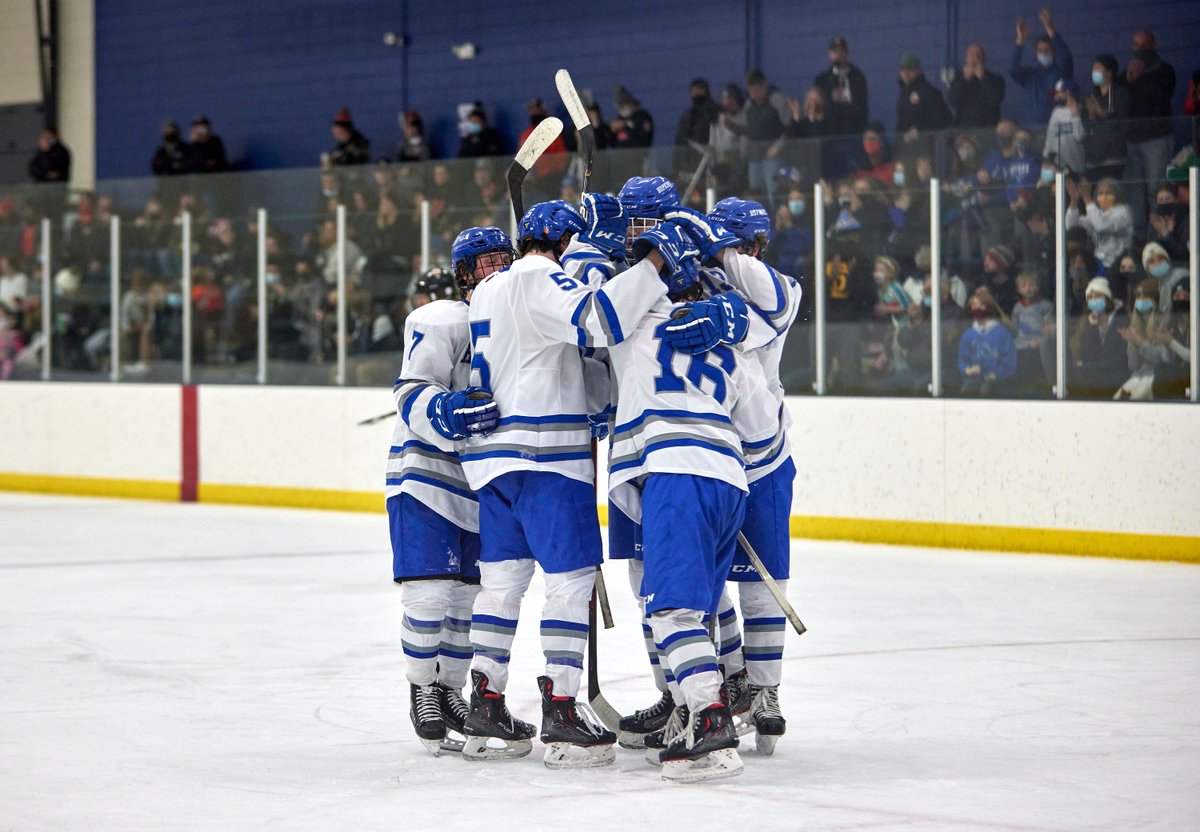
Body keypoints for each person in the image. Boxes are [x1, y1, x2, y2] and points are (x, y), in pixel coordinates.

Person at [459, 197, 675, 767]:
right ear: (560, 244)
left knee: (501, 585)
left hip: (494, 462)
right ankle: (559, 709)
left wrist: (596, 394)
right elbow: (599, 321)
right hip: (547, 459)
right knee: (571, 583)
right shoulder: (537, 275)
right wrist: (647, 266)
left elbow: (557, 351)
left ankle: (485, 702)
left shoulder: (490, 288)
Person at [659, 197, 803, 757]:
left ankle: (765, 692)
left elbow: (762, 307)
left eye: (746, 245)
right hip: (706, 451)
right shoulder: (694, 280)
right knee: (707, 580)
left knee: (765, 586)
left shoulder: (779, 289)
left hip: (763, 455)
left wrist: (720, 248)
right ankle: (732, 674)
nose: (741, 254)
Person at [387, 229, 510, 756]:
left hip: (480, 481)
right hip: (425, 472)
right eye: (484, 264)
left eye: (504, 262)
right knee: (430, 593)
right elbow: (412, 389)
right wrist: (442, 409)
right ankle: (422, 686)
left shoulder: (517, 323)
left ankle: (451, 690)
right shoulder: (441, 318)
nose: (495, 272)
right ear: (463, 274)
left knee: (467, 598)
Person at [1124, 30, 1177, 230]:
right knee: (1134, 191)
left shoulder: (1165, 70)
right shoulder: (1127, 73)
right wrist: (1130, 79)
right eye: (1136, 45)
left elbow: (1159, 98)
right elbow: (1120, 98)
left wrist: (1138, 79)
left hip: (1156, 138)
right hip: (1132, 140)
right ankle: (1138, 237)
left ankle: (1160, 233)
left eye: (1144, 44)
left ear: (1153, 45)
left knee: (1156, 189)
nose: (1140, 50)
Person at [1008, 8, 1073, 126]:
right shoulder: (1029, 75)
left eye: (1047, 50)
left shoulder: (1062, 72)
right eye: (1040, 50)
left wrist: (1050, 29)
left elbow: (1067, 58)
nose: (1043, 53)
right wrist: (1020, 40)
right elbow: (1012, 69)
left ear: (1054, 52)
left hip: (1056, 132)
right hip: (1033, 131)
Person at [1069, 276, 1128, 398]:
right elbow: (1089, 355)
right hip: (1095, 375)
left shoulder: (1122, 319)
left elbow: (1119, 359)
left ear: (1107, 298)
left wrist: (1088, 366)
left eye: (1097, 296)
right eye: (1090, 298)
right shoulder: (1088, 321)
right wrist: (1092, 327)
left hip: (1116, 375)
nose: (1093, 300)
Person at [1114, 277, 1171, 400]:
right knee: (1117, 399)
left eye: (1145, 296)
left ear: (1155, 300)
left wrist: (1140, 343)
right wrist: (1132, 344)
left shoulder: (1163, 322)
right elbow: (1133, 366)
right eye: (1138, 296)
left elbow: (1161, 359)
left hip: (1157, 377)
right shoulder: (1135, 323)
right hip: (1137, 376)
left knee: (1134, 400)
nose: (1140, 300)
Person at [1065, 178, 1133, 274]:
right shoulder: (1097, 213)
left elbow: (1101, 226)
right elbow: (1071, 227)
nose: (1104, 196)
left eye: (1108, 193)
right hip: (1098, 263)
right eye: (1100, 193)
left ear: (1117, 195)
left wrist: (1086, 198)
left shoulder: (1123, 212)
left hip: (1116, 265)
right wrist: (1074, 200)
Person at [743, 70, 790, 205]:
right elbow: (746, 130)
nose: (753, 95)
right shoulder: (748, 105)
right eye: (750, 91)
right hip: (754, 156)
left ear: (763, 87)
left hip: (773, 156)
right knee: (755, 194)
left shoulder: (777, 100)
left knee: (773, 191)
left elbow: (789, 127)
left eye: (756, 91)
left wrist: (778, 146)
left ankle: (775, 221)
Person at [958, 290, 1016, 396]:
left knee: (986, 390)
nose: (977, 308)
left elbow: (1010, 361)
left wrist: (996, 374)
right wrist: (967, 369)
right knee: (967, 390)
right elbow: (963, 358)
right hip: (973, 378)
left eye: (982, 305)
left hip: (997, 380)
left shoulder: (1002, 333)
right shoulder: (968, 334)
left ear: (990, 307)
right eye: (974, 305)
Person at [1082, 55, 1131, 182]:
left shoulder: (1121, 94)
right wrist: (1087, 115)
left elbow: (1123, 125)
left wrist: (1102, 114)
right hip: (1093, 158)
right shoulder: (1090, 96)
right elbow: (1086, 127)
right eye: (1093, 69)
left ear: (1109, 73)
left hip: (1113, 158)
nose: (1094, 72)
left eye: (1098, 69)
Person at [813, 35, 869, 136]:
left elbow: (861, 107)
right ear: (830, 55)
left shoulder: (857, 77)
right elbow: (819, 107)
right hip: (829, 133)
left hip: (852, 132)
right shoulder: (822, 80)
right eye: (835, 52)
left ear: (847, 54)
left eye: (841, 51)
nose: (838, 55)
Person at [1011, 271, 1055, 395]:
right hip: (1021, 343)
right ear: (1019, 289)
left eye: (1031, 285)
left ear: (1038, 286)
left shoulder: (1045, 305)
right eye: (1024, 285)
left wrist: (1041, 339)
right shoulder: (1017, 307)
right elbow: (1015, 326)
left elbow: (1049, 327)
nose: (1028, 288)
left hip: (1038, 342)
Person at [896, 53, 951, 147]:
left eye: (910, 69)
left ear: (918, 70)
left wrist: (919, 130)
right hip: (910, 147)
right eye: (903, 69)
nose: (906, 73)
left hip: (931, 146)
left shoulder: (930, 92)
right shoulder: (903, 95)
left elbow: (942, 120)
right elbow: (901, 123)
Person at [948, 43, 1006, 128]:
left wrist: (982, 78)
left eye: (978, 54)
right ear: (966, 58)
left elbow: (995, 101)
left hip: (988, 128)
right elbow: (952, 101)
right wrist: (965, 80)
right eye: (971, 54)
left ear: (984, 59)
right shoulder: (958, 79)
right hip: (964, 129)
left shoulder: (996, 79)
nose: (974, 58)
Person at [673, 78, 720, 178]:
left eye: (699, 91)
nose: (696, 95)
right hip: (691, 159)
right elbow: (681, 139)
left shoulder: (715, 111)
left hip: (712, 157)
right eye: (693, 92)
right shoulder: (688, 115)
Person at [1044, 79, 1085, 175]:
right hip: (1057, 167)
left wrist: (1075, 115)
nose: (1055, 97)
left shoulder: (1082, 110)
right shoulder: (1056, 112)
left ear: (1068, 92)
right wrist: (1046, 158)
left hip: (1077, 167)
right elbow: (1050, 138)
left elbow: (1079, 136)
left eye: (1058, 93)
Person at [1146, 183, 1190, 264]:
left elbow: (1184, 254)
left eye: (1168, 199)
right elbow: (1150, 249)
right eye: (1161, 200)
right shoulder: (1156, 221)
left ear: (1176, 199)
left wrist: (1165, 234)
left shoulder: (1186, 221)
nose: (1164, 203)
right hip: (1159, 265)